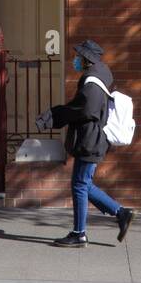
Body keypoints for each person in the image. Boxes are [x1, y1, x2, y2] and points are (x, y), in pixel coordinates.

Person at [36, 38, 134, 248]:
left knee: (80, 184)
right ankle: (121, 213)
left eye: (78, 57)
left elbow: (83, 109)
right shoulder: (101, 73)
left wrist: (54, 115)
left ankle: (80, 233)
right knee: (83, 183)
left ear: (87, 59)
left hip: (91, 139)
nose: (75, 60)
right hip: (93, 138)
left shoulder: (91, 82)